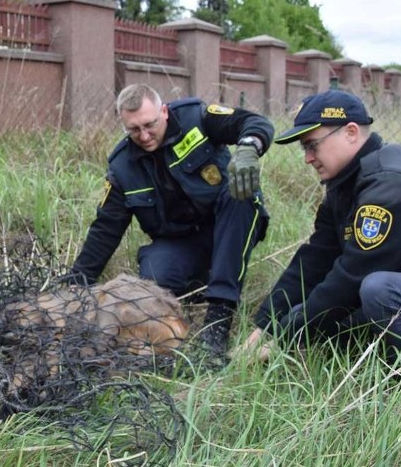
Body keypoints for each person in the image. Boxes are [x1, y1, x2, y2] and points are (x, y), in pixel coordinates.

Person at [233, 90, 401, 370]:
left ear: (350, 132)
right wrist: (265, 328)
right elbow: (312, 261)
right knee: (333, 322)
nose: (307, 158)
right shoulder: (347, 186)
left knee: (379, 290)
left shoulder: (393, 184)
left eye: (312, 145)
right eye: (304, 149)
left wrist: (284, 337)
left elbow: (352, 277)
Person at [68, 83, 274, 360]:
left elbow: (250, 122)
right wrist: (76, 283)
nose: (144, 135)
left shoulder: (197, 119)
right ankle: (198, 286)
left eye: (149, 124)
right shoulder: (122, 167)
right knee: (154, 280)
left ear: (163, 111)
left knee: (241, 197)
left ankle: (219, 317)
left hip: (227, 225)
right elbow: (105, 229)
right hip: (178, 241)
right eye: (134, 130)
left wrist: (249, 148)